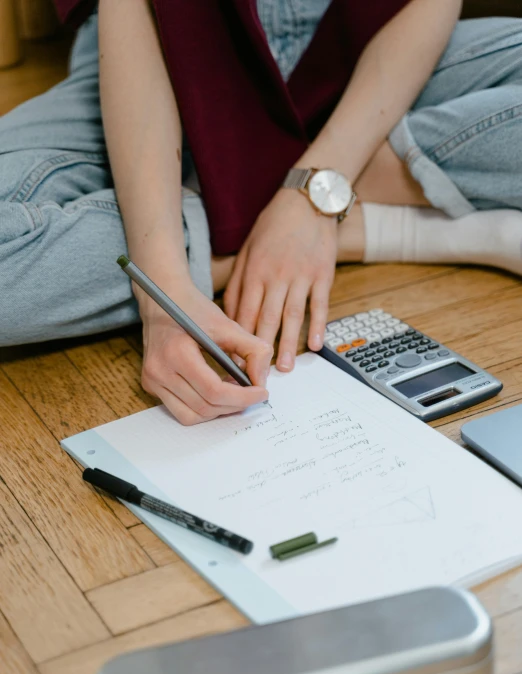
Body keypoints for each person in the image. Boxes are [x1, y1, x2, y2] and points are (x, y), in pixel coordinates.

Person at [1, 0, 521, 425]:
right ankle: (380, 227)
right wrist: (163, 292)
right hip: (159, 60)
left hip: (365, 46)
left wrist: (312, 192)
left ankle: (287, 208)